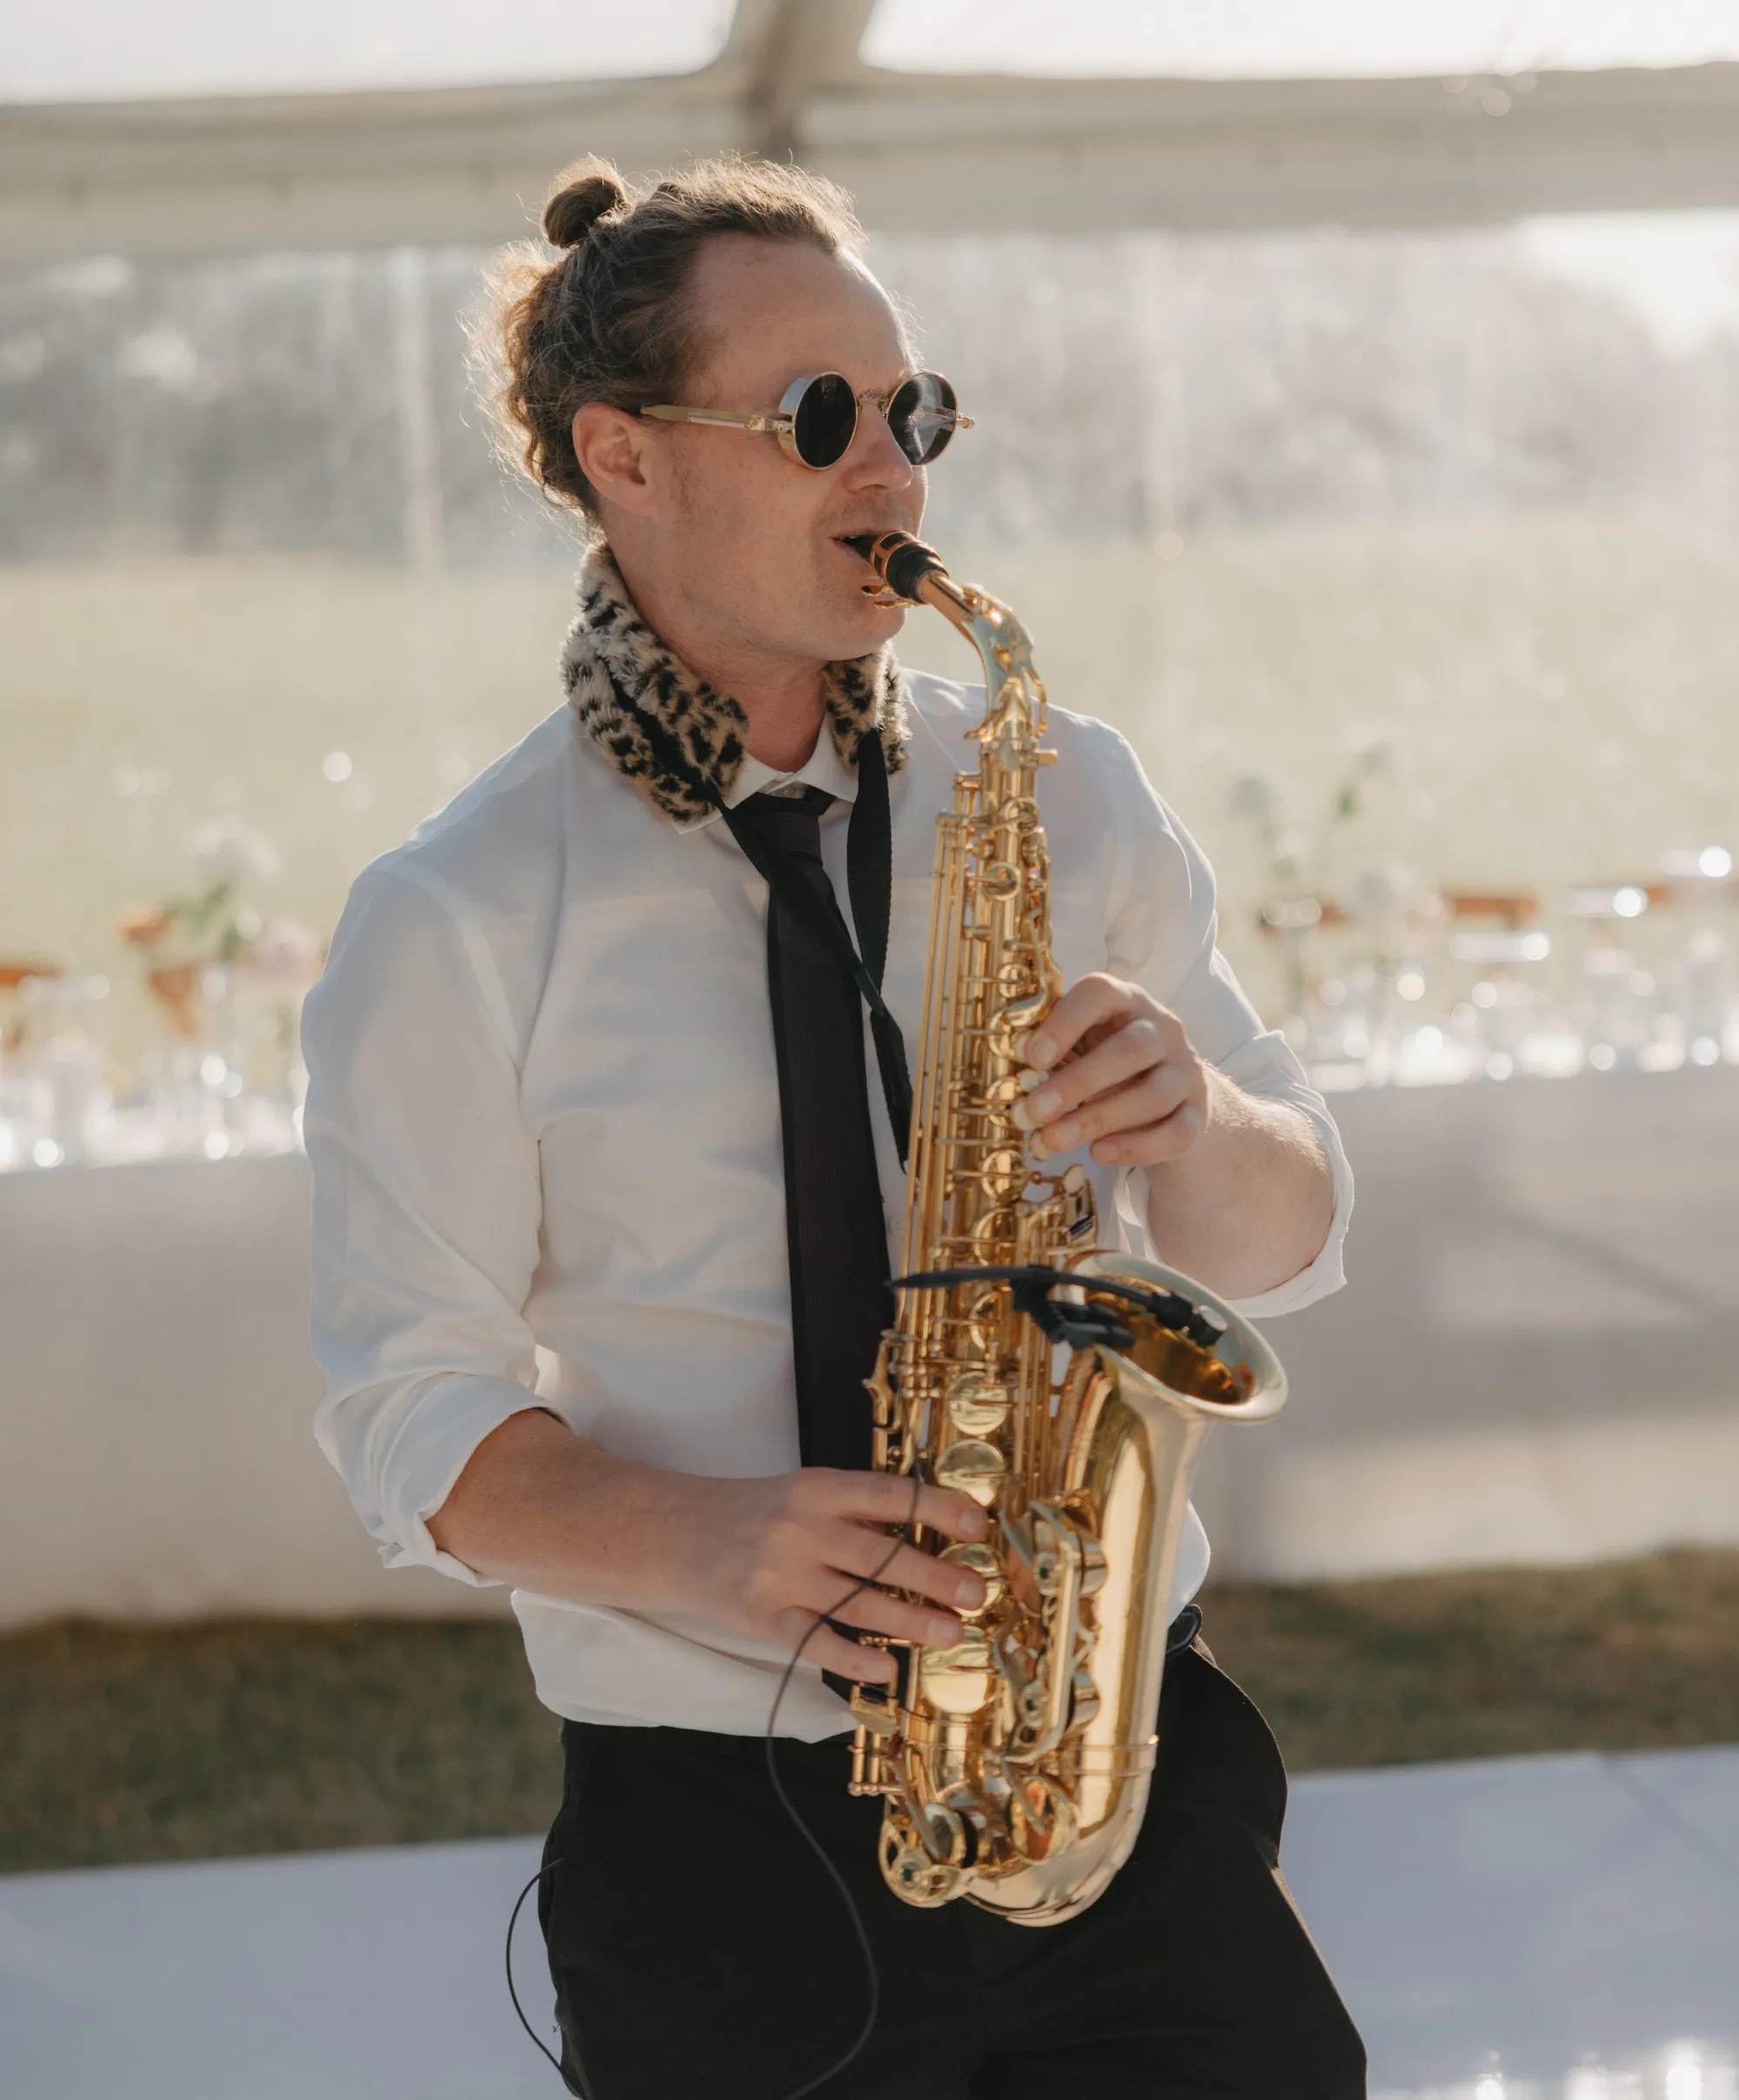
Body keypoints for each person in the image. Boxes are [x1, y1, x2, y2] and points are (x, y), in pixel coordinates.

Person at [303, 154, 1364, 2100]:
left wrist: (1196, 1115)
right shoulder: (456, 914)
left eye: (913, 414)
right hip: (728, 1851)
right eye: (816, 421)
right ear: (623, 455)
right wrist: (707, 1543)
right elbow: (407, 1417)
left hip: (1114, 1761)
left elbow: (1280, 1239)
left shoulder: (1064, 795)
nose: (889, 474)